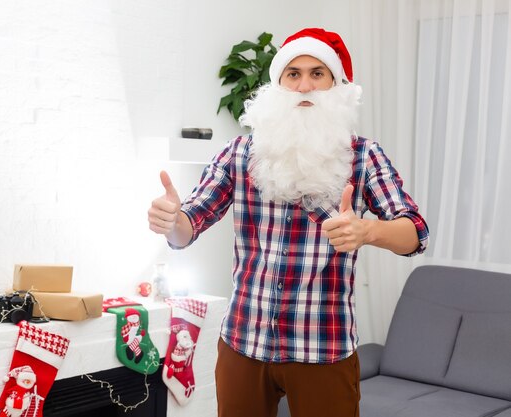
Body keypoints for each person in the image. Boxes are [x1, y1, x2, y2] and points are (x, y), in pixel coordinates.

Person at [147, 27, 429, 417]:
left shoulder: (363, 156)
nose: (304, 86)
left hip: (322, 346)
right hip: (244, 343)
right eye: (293, 74)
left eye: (318, 73)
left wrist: (368, 231)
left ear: (336, 86)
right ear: (278, 86)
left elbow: (415, 232)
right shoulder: (240, 153)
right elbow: (188, 225)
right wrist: (171, 220)